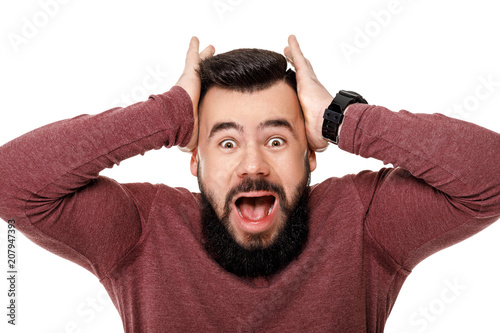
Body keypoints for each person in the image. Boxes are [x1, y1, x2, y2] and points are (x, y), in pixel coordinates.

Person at [0, 35, 499, 332]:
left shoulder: (362, 220)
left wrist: (341, 118)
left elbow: (490, 174)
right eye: (226, 142)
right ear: (194, 161)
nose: (253, 165)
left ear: (310, 158)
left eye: (277, 141)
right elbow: (12, 181)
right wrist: (168, 114)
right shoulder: (143, 230)